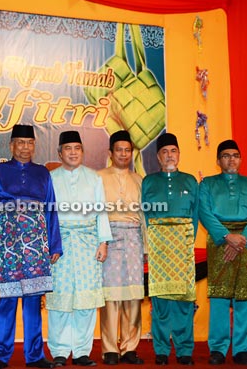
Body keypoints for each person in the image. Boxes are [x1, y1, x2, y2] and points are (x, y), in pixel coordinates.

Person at [0, 124, 62, 369]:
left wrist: (55, 244)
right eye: (20, 142)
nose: (25, 147)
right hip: (8, 243)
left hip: (37, 244)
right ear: (11, 145)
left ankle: (35, 355)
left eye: (29, 143)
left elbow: (51, 208)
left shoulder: (42, 173)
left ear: (34, 146)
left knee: (32, 300)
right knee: (7, 298)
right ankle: (1, 355)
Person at [47, 130, 112, 367]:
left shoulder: (94, 178)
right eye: (68, 149)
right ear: (59, 153)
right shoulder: (50, 179)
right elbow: (47, 214)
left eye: (77, 148)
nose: (73, 153)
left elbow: (101, 211)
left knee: (85, 300)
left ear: (83, 152)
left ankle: (82, 351)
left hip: (88, 244)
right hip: (60, 244)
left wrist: (103, 242)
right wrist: (50, 243)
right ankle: (60, 352)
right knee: (60, 300)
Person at [198, 139, 247, 366]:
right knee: (219, 295)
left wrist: (242, 240)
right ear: (218, 161)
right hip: (220, 241)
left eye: (235, 155)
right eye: (226, 155)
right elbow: (204, 213)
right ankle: (217, 349)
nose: (231, 159)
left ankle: (242, 350)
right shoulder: (207, 184)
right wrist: (228, 237)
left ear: (240, 159)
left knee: (245, 297)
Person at [141, 133, 198, 366]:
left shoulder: (190, 181)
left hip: (182, 247)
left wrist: (186, 240)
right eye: (164, 152)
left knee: (184, 302)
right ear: (158, 157)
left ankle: (184, 350)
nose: (169, 155)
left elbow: (194, 216)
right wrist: (151, 243)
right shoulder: (149, 182)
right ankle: (162, 349)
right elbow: (144, 214)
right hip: (158, 249)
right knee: (161, 302)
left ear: (179, 154)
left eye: (173, 151)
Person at [97, 130, 146, 365]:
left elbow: (144, 215)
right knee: (111, 295)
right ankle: (109, 348)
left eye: (128, 150)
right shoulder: (99, 177)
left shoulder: (140, 180)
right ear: (110, 153)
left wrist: (146, 246)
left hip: (135, 238)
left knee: (134, 294)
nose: (124, 154)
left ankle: (130, 347)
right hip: (109, 237)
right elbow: (96, 212)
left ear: (132, 153)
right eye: (119, 150)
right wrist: (101, 240)